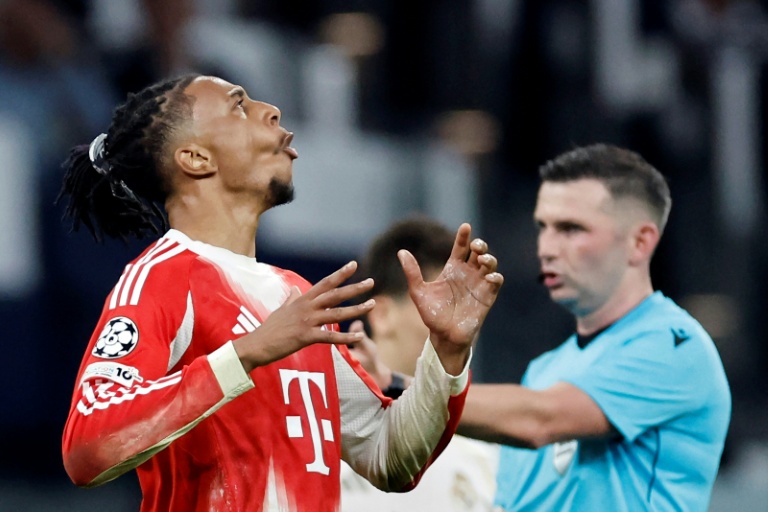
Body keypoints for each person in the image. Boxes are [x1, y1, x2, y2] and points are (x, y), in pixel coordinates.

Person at [58, 74, 504, 512]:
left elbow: (389, 455)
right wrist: (248, 352)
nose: (271, 111)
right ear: (195, 158)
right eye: (238, 105)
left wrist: (446, 351)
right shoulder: (162, 277)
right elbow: (87, 445)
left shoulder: (293, 295)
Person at [459, 144, 731, 511]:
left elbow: (540, 420)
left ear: (639, 242)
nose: (546, 249)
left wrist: (404, 391)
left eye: (571, 228)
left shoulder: (676, 346)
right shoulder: (543, 371)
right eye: (543, 227)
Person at [341, 216, 500, 512]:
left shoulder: (489, 458)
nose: (463, 321)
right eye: (444, 302)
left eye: (467, 301)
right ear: (382, 315)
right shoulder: (324, 434)